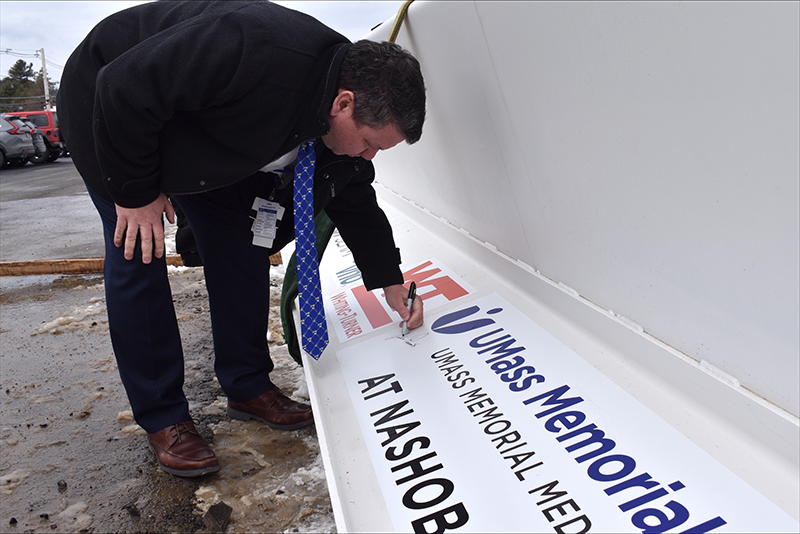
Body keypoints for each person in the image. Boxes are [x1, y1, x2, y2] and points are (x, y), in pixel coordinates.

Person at [57, 0, 425, 478]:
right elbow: (124, 85)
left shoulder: (344, 112)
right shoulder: (254, 47)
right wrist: (135, 192)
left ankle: (248, 385)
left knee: (243, 244)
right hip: (111, 108)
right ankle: (164, 417)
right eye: (372, 143)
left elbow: (354, 197)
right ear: (343, 104)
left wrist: (389, 279)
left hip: (201, 133)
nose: (370, 156)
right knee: (139, 251)